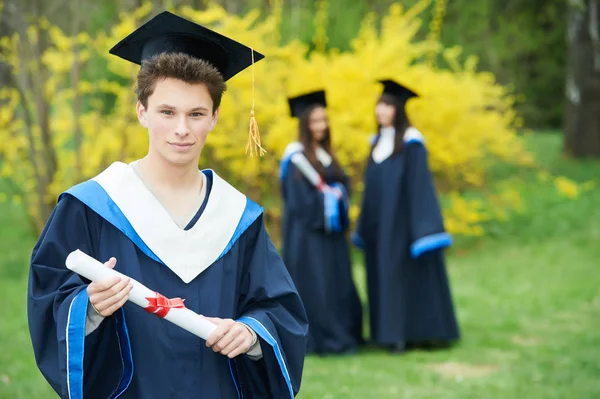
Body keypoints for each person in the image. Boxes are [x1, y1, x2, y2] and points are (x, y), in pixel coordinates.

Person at [27, 11, 308, 399]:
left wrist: (249, 332)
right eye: (167, 112)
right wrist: (87, 307)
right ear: (142, 111)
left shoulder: (238, 217)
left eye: (196, 114)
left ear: (214, 118)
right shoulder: (91, 206)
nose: (181, 129)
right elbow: (48, 298)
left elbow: (277, 310)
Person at [353, 79, 460, 353]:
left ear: (398, 110)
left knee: (400, 277)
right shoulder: (376, 144)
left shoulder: (412, 143)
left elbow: (420, 186)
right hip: (379, 226)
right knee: (381, 275)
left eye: (388, 106)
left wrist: (421, 229)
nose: (382, 111)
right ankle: (385, 333)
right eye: (380, 105)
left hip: (402, 226)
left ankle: (404, 335)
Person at [279, 90, 363, 356]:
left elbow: (343, 186)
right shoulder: (295, 158)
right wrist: (327, 201)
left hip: (332, 236)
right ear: (305, 124)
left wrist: (337, 195)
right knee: (317, 287)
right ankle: (323, 340)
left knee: (338, 284)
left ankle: (344, 333)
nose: (321, 126)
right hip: (308, 237)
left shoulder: (327, 154)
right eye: (315, 121)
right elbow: (298, 201)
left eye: (324, 120)